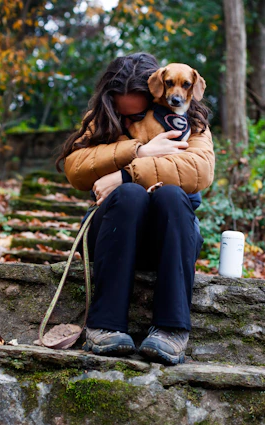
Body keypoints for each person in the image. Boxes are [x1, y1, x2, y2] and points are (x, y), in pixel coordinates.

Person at [56, 53, 215, 365]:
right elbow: (75, 168)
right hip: (112, 233)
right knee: (130, 196)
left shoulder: (191, 121)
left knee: (170, 195)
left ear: (155, 95)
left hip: (169, 236)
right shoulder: (100, 117)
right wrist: (138, 148)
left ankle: (172, 330)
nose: (129, 122)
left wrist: (126, 173)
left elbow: (200, 170)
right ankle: (104, 325)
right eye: (122, 113)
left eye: (138, 114)